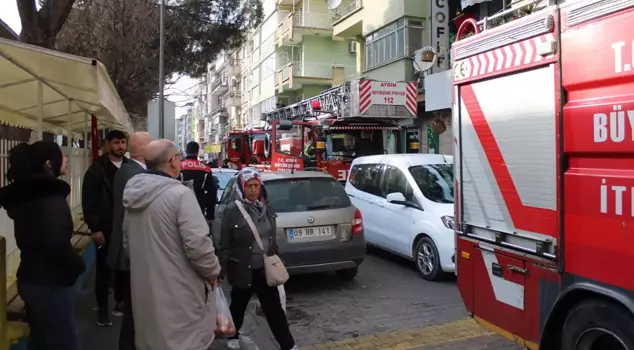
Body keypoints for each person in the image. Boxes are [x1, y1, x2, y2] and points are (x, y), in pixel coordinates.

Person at [122, 139, 221, 350]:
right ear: (172, 162)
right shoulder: (181, 195)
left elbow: (127, 243)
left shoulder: (133, 195)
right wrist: (214, 272)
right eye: (178, 156)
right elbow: (199, 246)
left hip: (145, 294)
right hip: (180, 298)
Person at [0, 142, 85, 350]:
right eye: (62, 156)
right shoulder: (49, 198)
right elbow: (55, 244)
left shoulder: (29, 197)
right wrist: (77, 266)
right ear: (49, 164)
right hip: (50, 283)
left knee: (41, 340)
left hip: (31, 278)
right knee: (62, 342)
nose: (66, 160)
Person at [218, 167, 297, 350]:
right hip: (242, 269)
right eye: (249, 186)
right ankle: (233, 336)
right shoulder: (232, 211)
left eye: (256, 185)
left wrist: (276, 259)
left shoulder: (267, 208)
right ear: (241, 187)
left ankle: (288, 345)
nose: (254, 190)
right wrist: (221, 271)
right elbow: (225, 244)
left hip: (264, 270)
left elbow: (271, 239)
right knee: (238, 306)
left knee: (274, 311)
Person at [108, 132, 152, 350]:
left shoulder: (130, 170)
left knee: (133, 310)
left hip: (129, 249)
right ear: (144, 150)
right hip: (131, 251)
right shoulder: (134, 174)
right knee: (134, 311)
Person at [82, 129, 128, 326]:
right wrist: (95, 228)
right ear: (108, 144)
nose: (121, 146)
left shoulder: (130, 167)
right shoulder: (96, 169)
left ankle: (120, 301)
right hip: (106, 227)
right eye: (116, 143)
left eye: (123, 142)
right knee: (103, 268)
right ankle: (102, 307)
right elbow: (89, 201)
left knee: (124, 267)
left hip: (126, 227)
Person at [180, 141, 217, 223]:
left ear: (186, 151)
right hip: (199, 208)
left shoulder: (179, 167)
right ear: (197, 151)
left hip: (180, 207)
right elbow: (212, 192)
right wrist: (210, 215)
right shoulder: (205, 169)